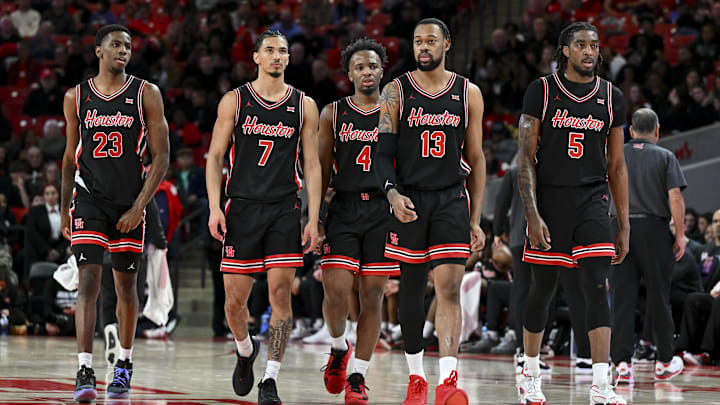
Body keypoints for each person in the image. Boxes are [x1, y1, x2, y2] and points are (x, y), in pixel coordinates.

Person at [205, 30, 321, 405]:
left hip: (284, 208)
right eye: (269, 50)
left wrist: (313, 216)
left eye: (283, 51)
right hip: (241, 207)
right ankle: (244, 350)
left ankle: (270, 378)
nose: (277, 56)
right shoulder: (234, 101)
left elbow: (313, 165)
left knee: (279, 295)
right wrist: (213, 206)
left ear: (289, 59)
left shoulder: (304, 104)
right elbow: (214, 157)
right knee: (233, 304)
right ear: (255, 57)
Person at [516, 22, 629, 405]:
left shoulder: (612, 97)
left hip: (592, 200)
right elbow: (525, 157)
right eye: (580, 44)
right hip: (549, 200)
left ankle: (601, 382)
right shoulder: (541, 91)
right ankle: (529, 371)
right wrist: (532, 214)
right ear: (565, 50)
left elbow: (617, 166)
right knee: (543, 288)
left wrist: (624, 224)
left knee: (598, 284)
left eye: (594, 45)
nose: (589, 51)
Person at [375, 18, 486, 405]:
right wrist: (391, 194)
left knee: (449, 289)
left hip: (451, 198)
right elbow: (382, 154)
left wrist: (475, 218)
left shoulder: (468, 93)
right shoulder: (395, 91)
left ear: (447, 45)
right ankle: (417, 377)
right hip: (408, 200)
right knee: (410, 289)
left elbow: (476, 157)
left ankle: (447, 381)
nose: (423, 46)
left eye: (431, 40)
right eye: (418, 40)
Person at [60, 24, 169, 402]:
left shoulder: (146, 94)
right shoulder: (77, 96)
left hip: (129, 201)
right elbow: (69, 155)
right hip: (89, 197)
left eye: (128, 46)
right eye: (116, 45)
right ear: (98, 51)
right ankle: (84, 369)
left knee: (125, 287)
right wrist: (63, 208)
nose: (124, 50)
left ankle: (123, 363)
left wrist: (139, 206)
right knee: (88, 284)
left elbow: (162, 156)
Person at [317, 37, 398, 405]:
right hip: (344, 207)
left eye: (373, 66)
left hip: (383, 209)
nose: (367, 72)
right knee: (334, 292)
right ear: (349, 73)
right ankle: (338, 348)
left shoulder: (397, 109)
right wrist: (314, 219)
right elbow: (318, 169)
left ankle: (358, 377)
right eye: (359, 67)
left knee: (372, 295)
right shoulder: (333, 112)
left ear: (382, 70)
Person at [609, 108, 686, 383]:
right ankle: (664, 360)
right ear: (657, 131)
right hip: (654, 230)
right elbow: (675, 196)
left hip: (618, 228)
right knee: (659, 296)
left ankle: (621, 364)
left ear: (630, 132)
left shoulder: (615, 154)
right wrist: (679, 234)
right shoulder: (665, 156)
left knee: (621, 298)